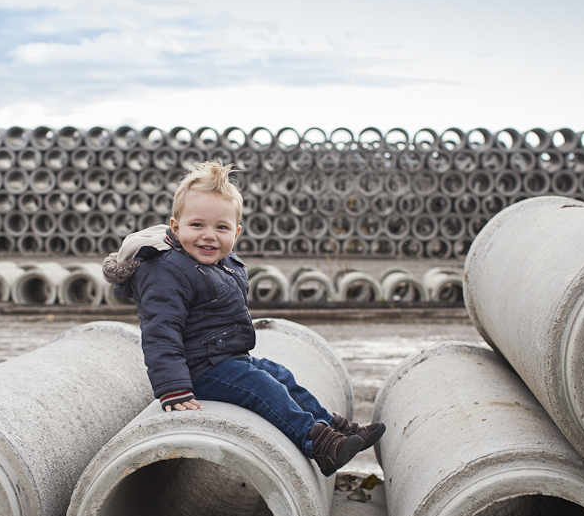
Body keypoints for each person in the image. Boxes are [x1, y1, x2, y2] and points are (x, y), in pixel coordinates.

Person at [102, 160, 384, 476]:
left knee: (282, 377)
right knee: (263, 388)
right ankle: (318, 443)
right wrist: (173, 388)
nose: (209, 236)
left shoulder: (223, 263)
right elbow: (160, 330)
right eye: (197, 225)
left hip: (228, 358)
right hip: (199, 370)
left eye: (221, 228)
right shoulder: (166, 270)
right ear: (175, 226)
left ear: (236, 232)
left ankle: (336, 429)